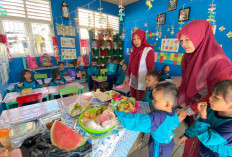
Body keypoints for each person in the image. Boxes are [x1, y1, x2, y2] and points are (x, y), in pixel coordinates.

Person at [175, 20, 232, 156]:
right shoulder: (190, 56)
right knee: (193, 138)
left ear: (200, 36)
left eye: (188, 39)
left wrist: (187, 110)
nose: (183, 44)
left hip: (212, 112)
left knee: (202, 143)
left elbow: (218, 95)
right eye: (181, 40)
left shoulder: (218, 61)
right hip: (199, 109)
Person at [114, 82, 179, 157]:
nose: (152, 101)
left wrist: (118, 114)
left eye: (155, 100)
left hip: (159, 147)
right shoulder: (173, 113)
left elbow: (139, 121)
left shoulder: (157, 118)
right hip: (169, 142)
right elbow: (175, 124)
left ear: (167, 104)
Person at [179, 80, 232, 157]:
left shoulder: (230, 126)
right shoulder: (212, 110)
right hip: (205, 150)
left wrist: (203, 117)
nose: (210, 98)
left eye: (216, 97)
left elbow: (208, 139)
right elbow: (198, 124)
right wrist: (187, 135)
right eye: (212, 94)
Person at [124, 30, 155, 101]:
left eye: (138, 38)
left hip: (143, 81)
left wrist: (150, 82)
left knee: (140, 101)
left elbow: (150, 69)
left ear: (142, 38)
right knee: (133, 100)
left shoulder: (149, 50)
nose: (136, 41)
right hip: (133, 79)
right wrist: (127, 76)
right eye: (134, 39)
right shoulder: (133, 50)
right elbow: (130, 65)